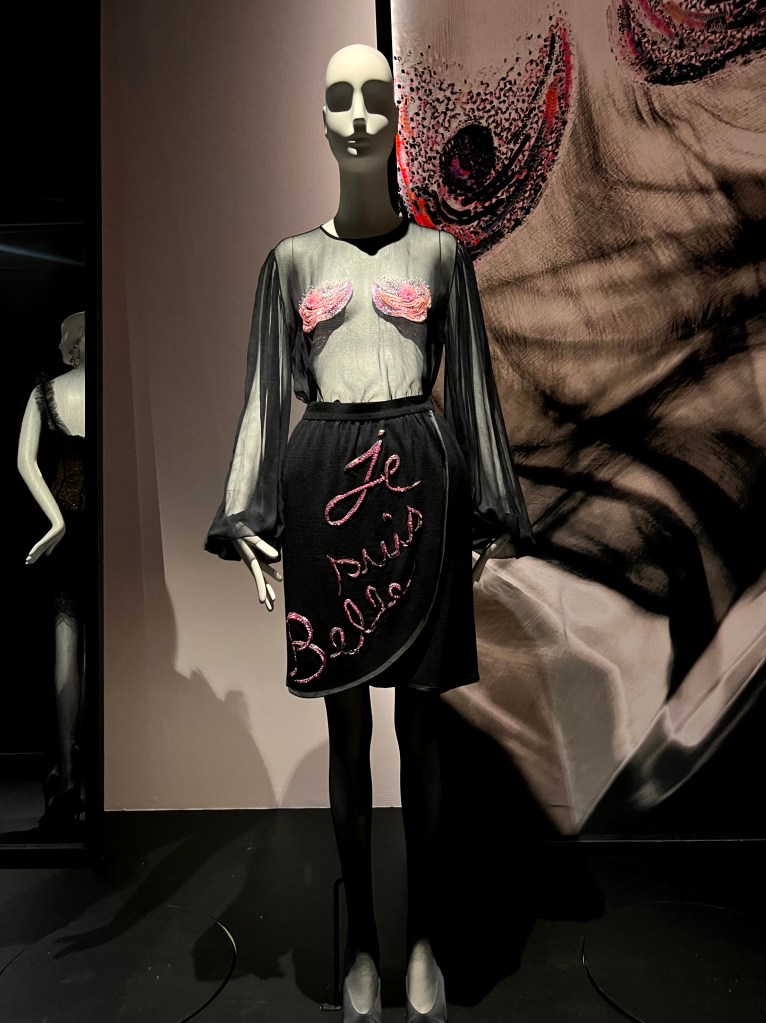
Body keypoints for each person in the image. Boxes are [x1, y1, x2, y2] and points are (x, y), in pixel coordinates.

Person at [205, 45, 533, 1023]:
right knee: (345, 733)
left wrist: (489, 506)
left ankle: (423, 934)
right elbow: (266, 395)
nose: (356, 115)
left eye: (374, 98)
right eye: (339, 98)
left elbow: (472, 390)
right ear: (320, 119)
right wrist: (246, 510)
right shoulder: (290, 263)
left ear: (397, 120)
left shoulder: (441, 257)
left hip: (420, 482)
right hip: (324, 490)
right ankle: (361, 942)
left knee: (421, 730)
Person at [17, 311, 86, 831]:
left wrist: (57, 519)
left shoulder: (47, 393)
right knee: (82, 649)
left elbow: (26, 461)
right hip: (91, 529)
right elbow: (23, 460)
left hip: (68, 528)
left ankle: (66, 775)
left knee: (70, 647)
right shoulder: (49, 391)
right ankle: (72, 775)